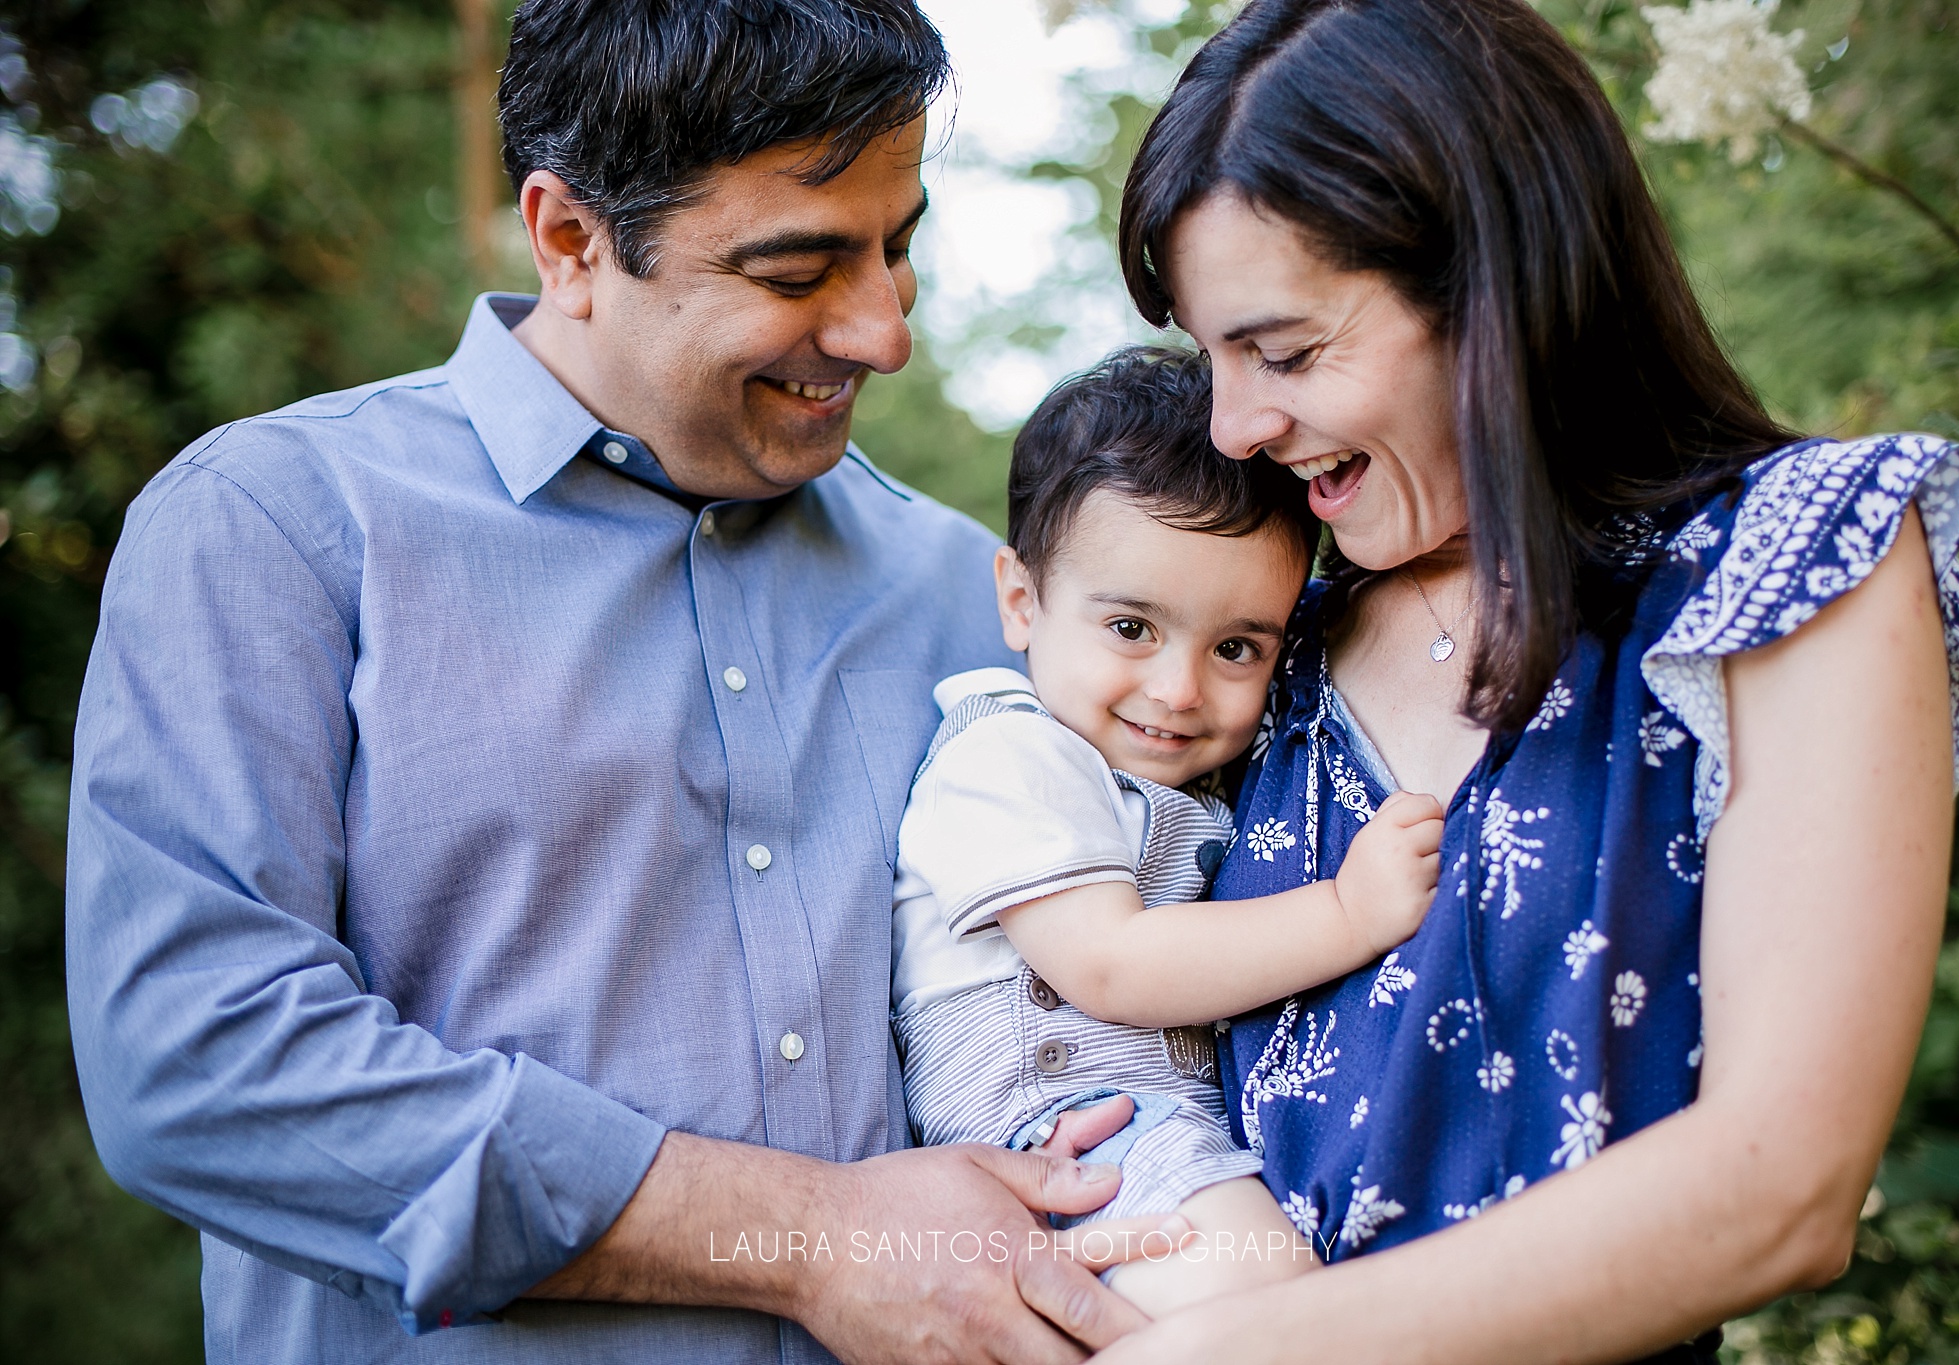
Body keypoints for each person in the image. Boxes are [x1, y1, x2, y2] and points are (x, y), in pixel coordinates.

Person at [65, 3, 1169, 1361]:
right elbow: (199, 1065)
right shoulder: (278, 528)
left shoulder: (972, 595)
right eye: (799, 266)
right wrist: (811, 1236)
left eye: (898, 246)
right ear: (572, 240)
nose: (883, 331)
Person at [1092, 0, 1959, 1361]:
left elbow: (1783, 1185)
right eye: (1214, 360)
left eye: (1288, 355)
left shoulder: (1788, 564)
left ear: (1497, 286)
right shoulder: (1251, 639)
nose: (1236, 424)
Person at [889, 347, 1444, 1318]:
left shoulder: (1176, 772)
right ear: (1022, 602)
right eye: (1132, 629)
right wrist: (1349, 912)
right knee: (1271, 1305)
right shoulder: (1008, 759)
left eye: (1235, 647)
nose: (1178, 690)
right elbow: (1110, 964)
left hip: (1142, 1131)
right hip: (1062, 1132)